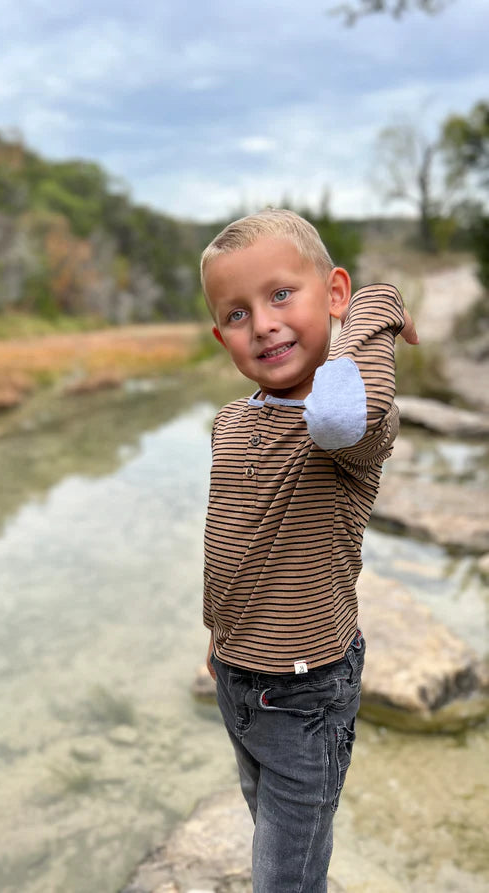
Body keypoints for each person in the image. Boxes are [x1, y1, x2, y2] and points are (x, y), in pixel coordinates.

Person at [200, 208, 418, 892]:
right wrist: (217, 635)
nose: (262, 323)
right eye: (237, 314)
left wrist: (376, 309)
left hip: (306, 694)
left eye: (281, 295)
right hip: (238, 678)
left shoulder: (344, 429)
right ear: (219, 335)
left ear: (334, 295)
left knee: (280, 879)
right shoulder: (230, 421)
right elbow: (234, 542)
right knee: (284, 849)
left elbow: (342, 410)